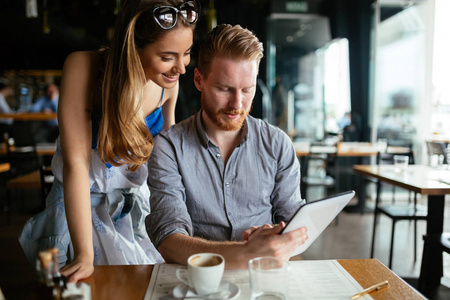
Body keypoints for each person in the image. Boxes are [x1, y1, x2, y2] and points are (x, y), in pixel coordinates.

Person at [19, 0, 199, 282]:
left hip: (133, 209)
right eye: (167, 57)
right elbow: (76, 166)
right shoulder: (83, 67)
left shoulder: (169, 84)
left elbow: (168, 162)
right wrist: (84, 255)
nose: (181, 68)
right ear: (133, 47)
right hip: (79, 211)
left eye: (186, 53)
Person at [146, 24, 308, 269]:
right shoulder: (169, 148)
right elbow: (168, 240)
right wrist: (245, 252)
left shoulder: (277, 144)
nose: (237, 104)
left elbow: (297, 227)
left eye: (247, 90)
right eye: (224, 89)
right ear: (199, 80)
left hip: (263, 278)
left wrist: (278, 236)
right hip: (196, 281)